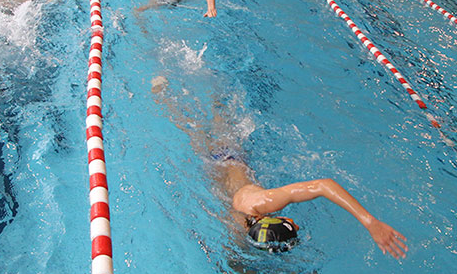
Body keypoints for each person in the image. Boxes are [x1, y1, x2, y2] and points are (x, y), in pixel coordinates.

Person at [150, 76, 406, 258]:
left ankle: (190, 86)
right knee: (188, 126)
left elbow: (324, 185)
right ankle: (164, 94)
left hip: (227, 156)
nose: (294, 221)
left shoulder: (263, 201)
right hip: (212, 170)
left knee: (213, 115)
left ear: (274, 217)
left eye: (289, 223)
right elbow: (231, 263)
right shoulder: (238, 227)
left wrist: (370, 222)